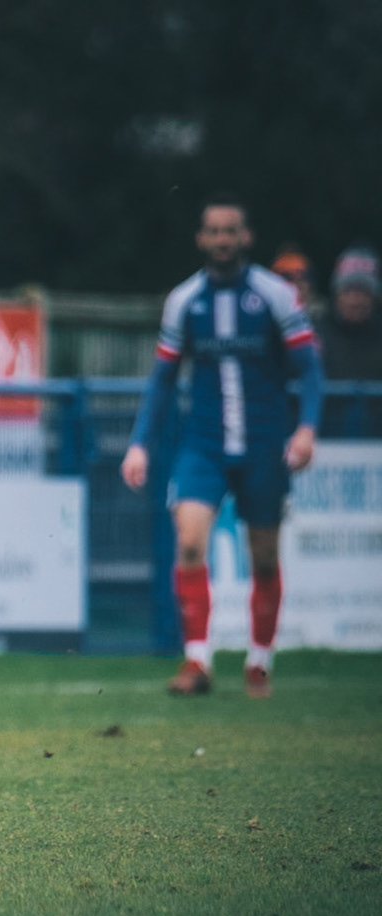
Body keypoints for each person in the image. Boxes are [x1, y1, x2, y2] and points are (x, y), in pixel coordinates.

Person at [121, 195, 323, 699]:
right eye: (213, 231)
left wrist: (307, 429)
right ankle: (197, 661)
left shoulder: (275, 296)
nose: (222, 240)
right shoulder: (184, 300)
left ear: (245, 237)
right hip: (203, 443)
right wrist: (140, 444)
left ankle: (258, 661)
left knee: (264, 559)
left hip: (262, 446)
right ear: (201, 239)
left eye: (230, 231)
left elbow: (310, 368)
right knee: (189, 541)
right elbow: (163, 381)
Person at [317, 245, 382, 438]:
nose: (355, 300)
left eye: (363, 292)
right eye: (348, 291)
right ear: (336, 294)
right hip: (324, 442)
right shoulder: (315, 334)